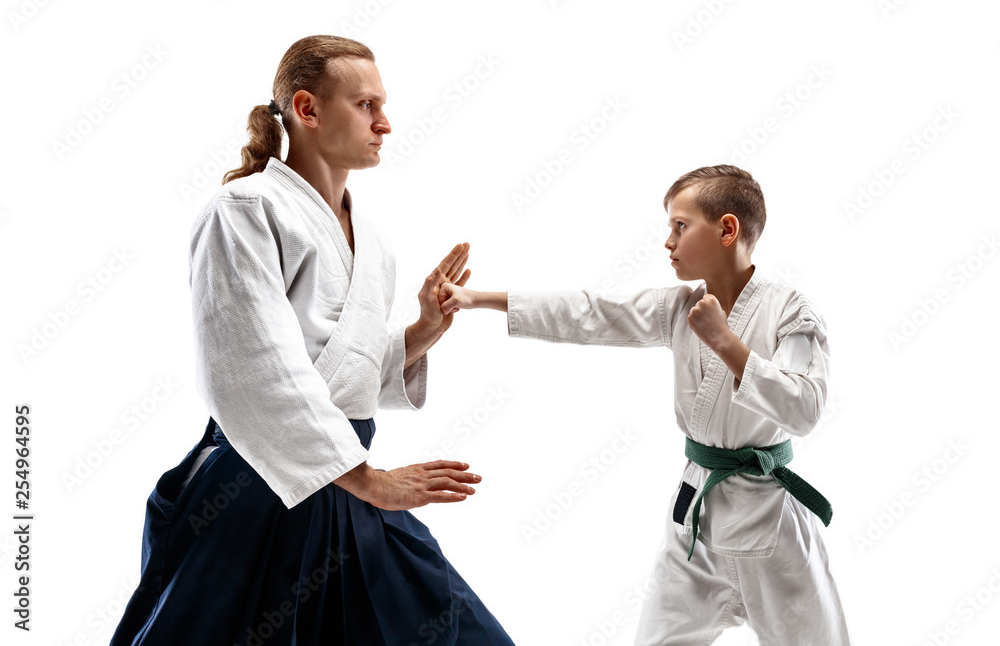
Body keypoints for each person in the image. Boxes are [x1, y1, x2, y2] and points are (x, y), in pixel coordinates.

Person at [110, 35, 515, 646]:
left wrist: (423, 331)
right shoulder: (244, 209)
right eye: (365, 104)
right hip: (256, 486)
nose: (385, 122)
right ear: (307, 108)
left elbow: (344, 372)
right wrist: (372, 482)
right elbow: (255, 369)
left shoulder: (373, 240)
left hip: (348, 476)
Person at [438, 165, 851, 645]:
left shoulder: (790, 310)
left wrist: (727, 344)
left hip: (771, 528)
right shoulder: (677, 307)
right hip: (695, 522)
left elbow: (805, 409)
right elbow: (591, 312)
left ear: (727, 229)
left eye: (680, 225)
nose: (668, 241)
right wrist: (480, 298)